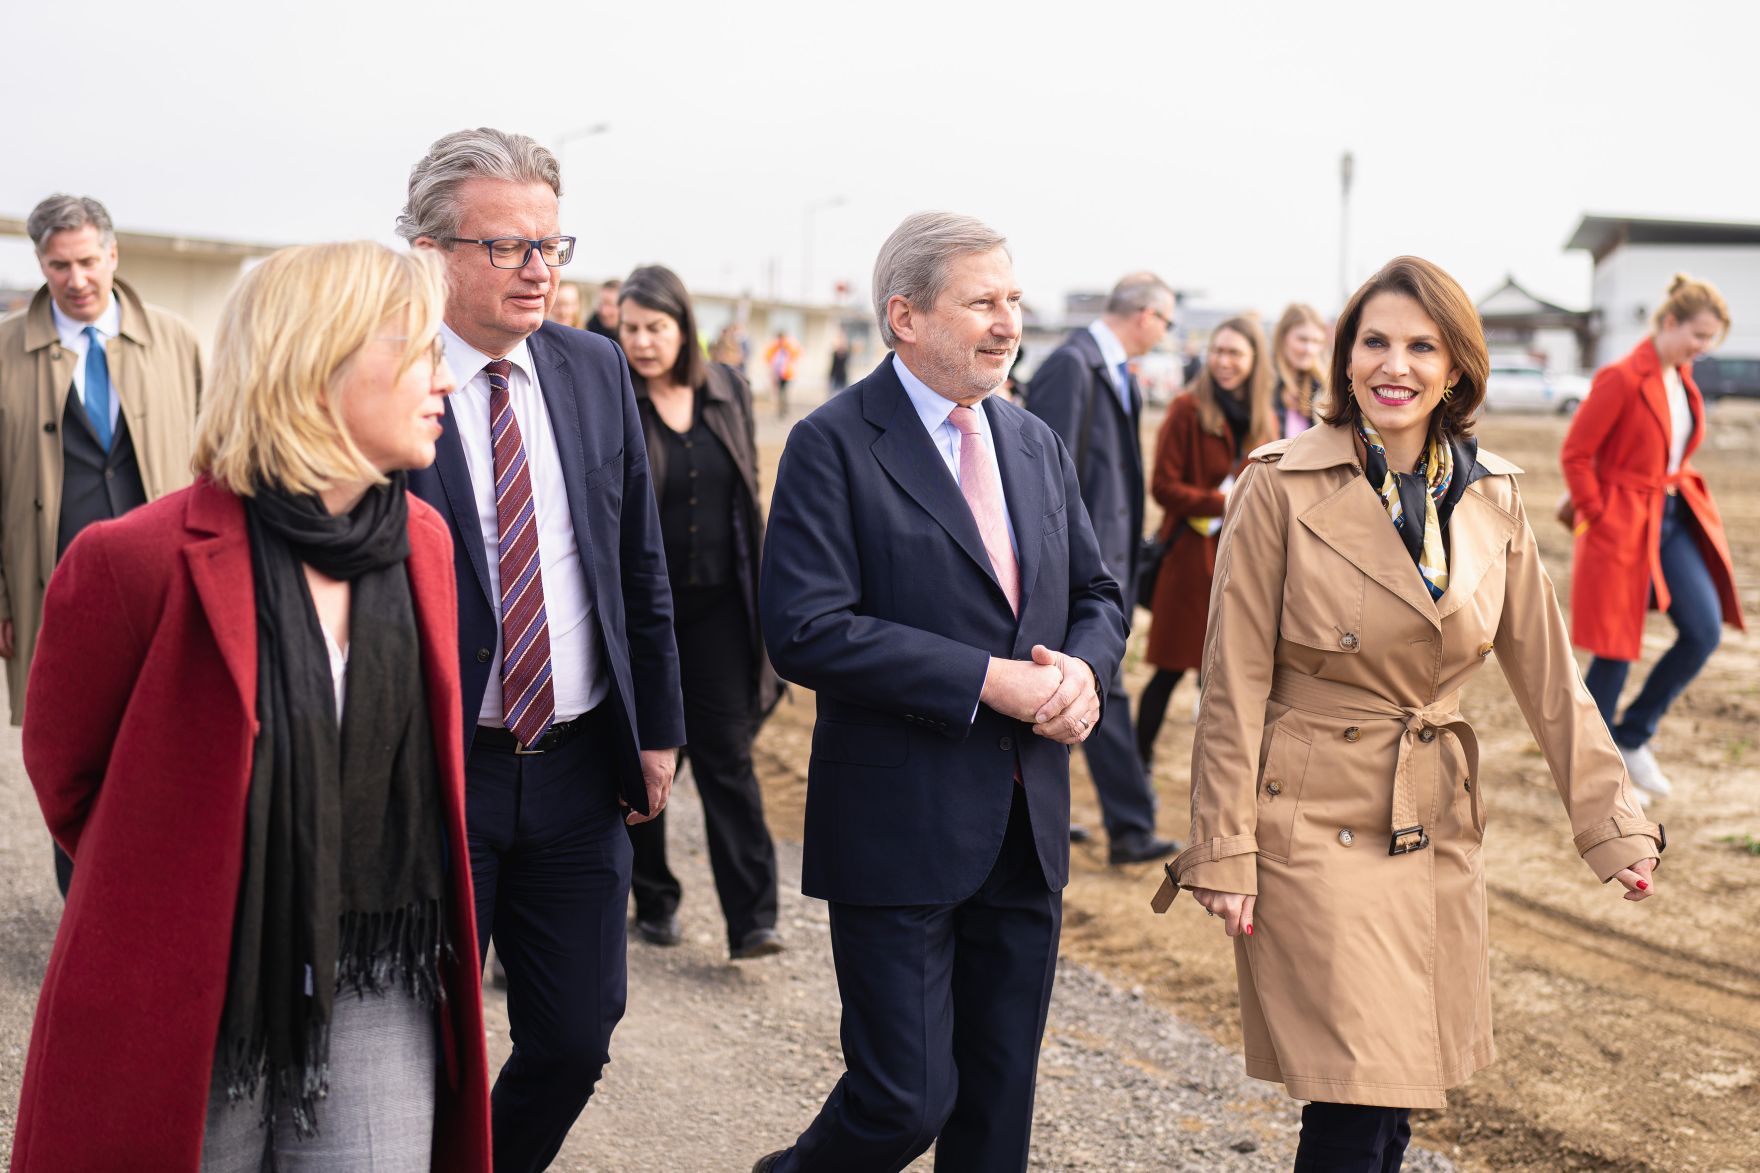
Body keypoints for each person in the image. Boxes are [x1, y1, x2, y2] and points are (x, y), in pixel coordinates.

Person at [1154, 256, 1662, 1172]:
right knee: (1358, 1087)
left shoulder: (1493, 493)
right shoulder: (1275, 483)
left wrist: (1612, 821)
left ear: (1457, 368)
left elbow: (1551, 678)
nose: (1396, 364)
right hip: (1310, 820)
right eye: (1375, 342)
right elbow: (1229, 682)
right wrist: (1221, 845)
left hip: (1431, 816)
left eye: (1422, 346)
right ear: (1344, 361)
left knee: (1397, 1095)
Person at [14, 241, 492, 1170]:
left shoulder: (423, 543)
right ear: (322, 366)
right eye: (422, 349)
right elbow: (71, 783)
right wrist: (189, 891)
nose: (446, 378)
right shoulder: (133, 561)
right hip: (195, 980)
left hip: (378, 960)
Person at [751, 213, 1127, 1173]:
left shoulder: (1033, 441)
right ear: (904, 317)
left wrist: (1085, 670)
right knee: (902, 1100)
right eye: (983, 303)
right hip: (897, 824)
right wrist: (986, 681)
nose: (1009, 322)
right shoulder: (832, 443)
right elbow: (806, 627)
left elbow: (1095, 592)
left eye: (1014, 300)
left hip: (1026, 823)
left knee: (997, 1109)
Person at [398, 128, 685, 1173]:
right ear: (431, 249)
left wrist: (656, 730)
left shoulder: (593, 366)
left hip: (573, 767)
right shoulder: (382, 372)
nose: (539, 269)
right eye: (507, 246)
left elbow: (634, 562)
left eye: (551, 244)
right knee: (414, 1041)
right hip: (432, 771)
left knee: (573, 1037)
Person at [0, 193, 203, 897]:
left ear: (113, 254)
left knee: (171, 745)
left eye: (88, 260)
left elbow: (215, 459)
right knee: (77, 756)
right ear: (41, 264)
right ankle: (89, 907)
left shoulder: (177, 340)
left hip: (167, 587)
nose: (77, 278)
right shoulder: (3, 352)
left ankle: (162, 897)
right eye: (60, 265)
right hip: (56, 593)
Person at [617, 264, 787, 959]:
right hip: (642, 617)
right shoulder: (614, 398)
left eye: (655, 327)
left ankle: (754, 921)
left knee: (727, 757)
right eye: (629, 328)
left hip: (721, 609)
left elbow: (749, 492)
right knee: (644, 761)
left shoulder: (728, 390)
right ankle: (655, 900)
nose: (642, 341)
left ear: (683, 328)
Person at [1562, 274, 1743, 796]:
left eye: (1710, 339)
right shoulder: (1622, 377)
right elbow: (1575, 454)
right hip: (1621, 521)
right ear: (1670, 322)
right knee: (1616, 648)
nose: (1703, 348)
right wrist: (1598, 514)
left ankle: (1633, 737)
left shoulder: (1681, 378)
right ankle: (1593, 770)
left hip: (1670, 518)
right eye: (1699, 335)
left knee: (1704, 630)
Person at [1025, 272, 1180, 863]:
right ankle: (1128, 827)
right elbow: (1043, 475)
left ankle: (1095, 820)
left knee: (1083, 692)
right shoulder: (1073, 365)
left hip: (1104, 566)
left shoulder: (1113, 371)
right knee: (1090, 691)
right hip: (1073, 570)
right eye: (1165, 322)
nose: (1165, 333)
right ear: (1145, 314)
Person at [1137, 317, 1277, 771]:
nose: (1224, 361)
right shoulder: (1185, 409)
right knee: (1170, 666)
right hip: (1188, 561)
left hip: (1240, 562)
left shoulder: (1264, 419)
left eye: (1236, 352)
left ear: (1255, 360)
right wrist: (1224, 501)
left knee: (1222, 674)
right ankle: (1140, 762)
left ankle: (1214, 768)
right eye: (1218, 350)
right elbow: (1162, 486)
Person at [1270, 302, 1328, 437]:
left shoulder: (1324, 389)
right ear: (1283, 337)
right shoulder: (1264, 382)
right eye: (1302, 339)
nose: (1309, 349)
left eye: (1316, 341)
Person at [765, 329, 801, 418]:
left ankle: (783, 410)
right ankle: (782, 410)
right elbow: (768, 357)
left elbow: (796, 354)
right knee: (782, 392)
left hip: (786, 374)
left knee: (783, 392)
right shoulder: (776, 346)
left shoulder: (786, 346)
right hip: (779, 373)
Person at [828, 327, 851, 392]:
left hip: (843, 377)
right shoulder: (835, 353)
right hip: (835, 378)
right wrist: (830, 378)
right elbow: (833, 366)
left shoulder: (846, 353)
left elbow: (847, 363)